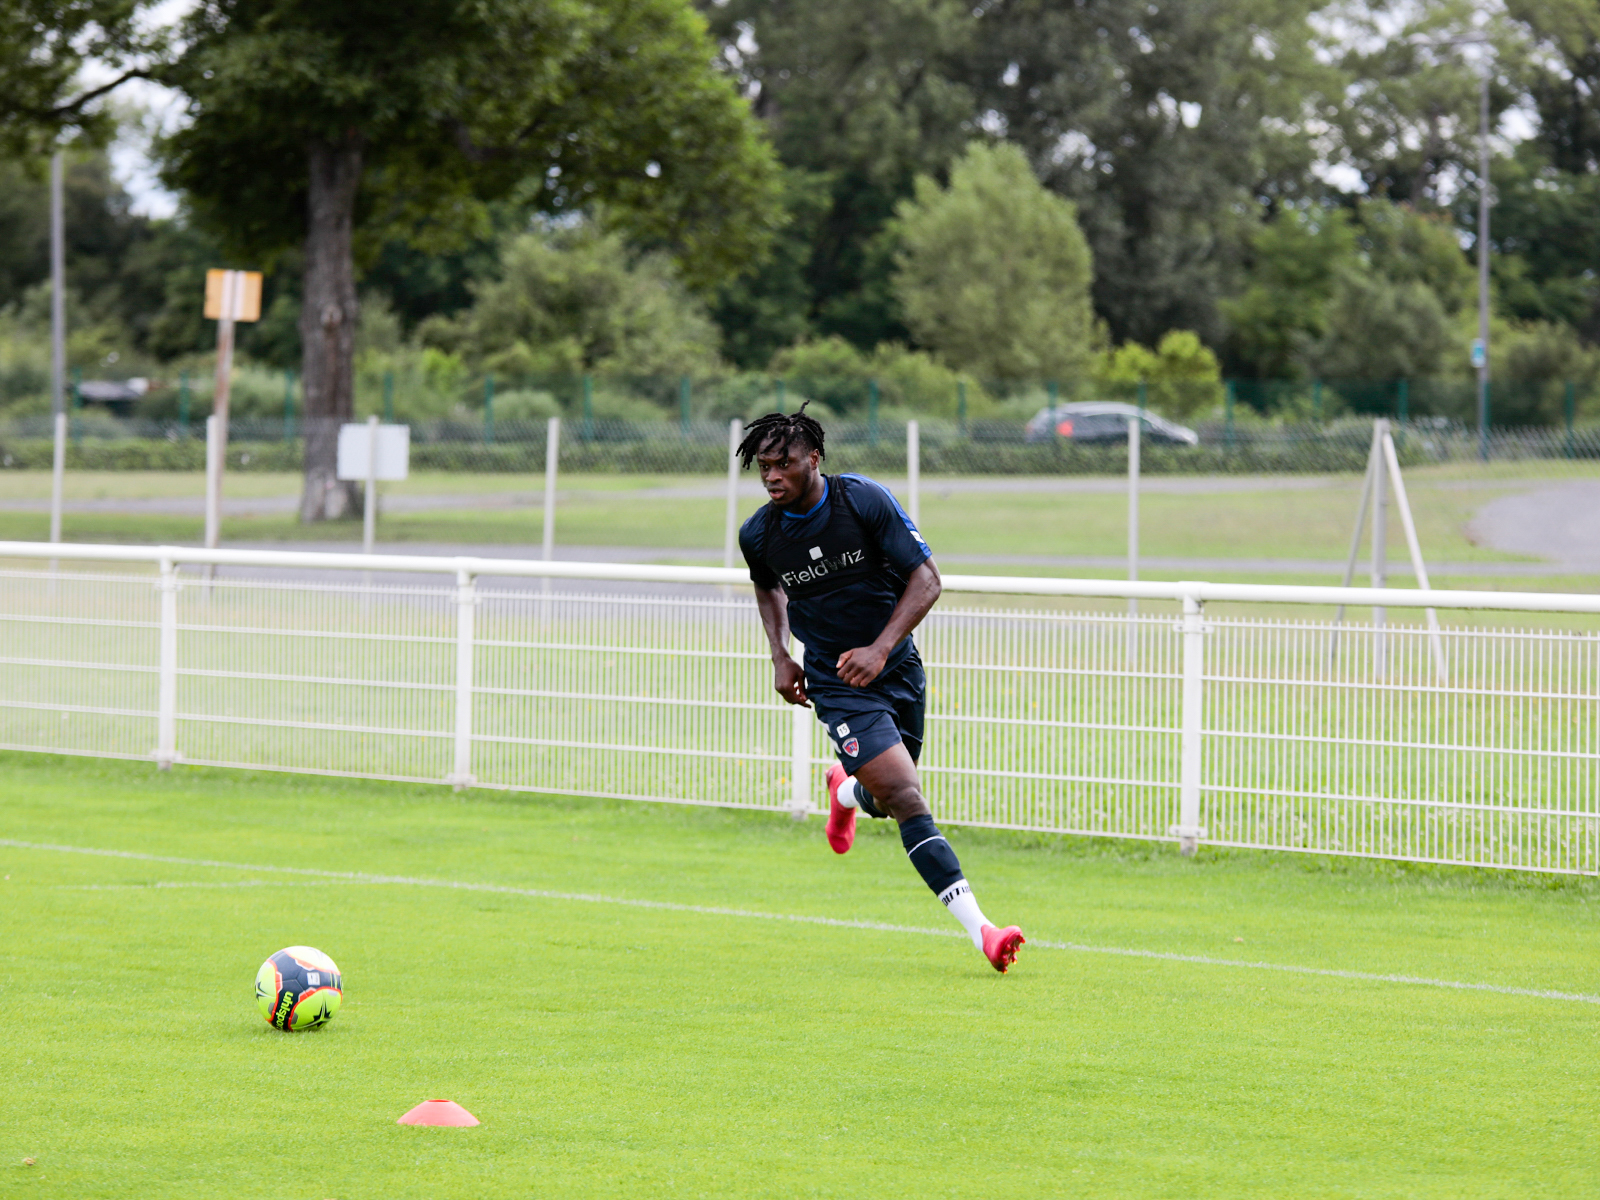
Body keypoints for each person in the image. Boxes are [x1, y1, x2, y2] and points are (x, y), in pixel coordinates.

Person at [737, 404, 1025, 973]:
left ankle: (845, 793)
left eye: (783, 463)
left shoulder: (862, 501)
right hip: (837, 681)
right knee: (906, 795)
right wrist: (780, 655)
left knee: (890, 798)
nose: (772, 476)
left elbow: (928, 580)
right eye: (763, 467)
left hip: (897, 667)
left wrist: (881, 649)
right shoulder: (759, 534)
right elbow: (767, 589)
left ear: (813, 458)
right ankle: (984, 932)